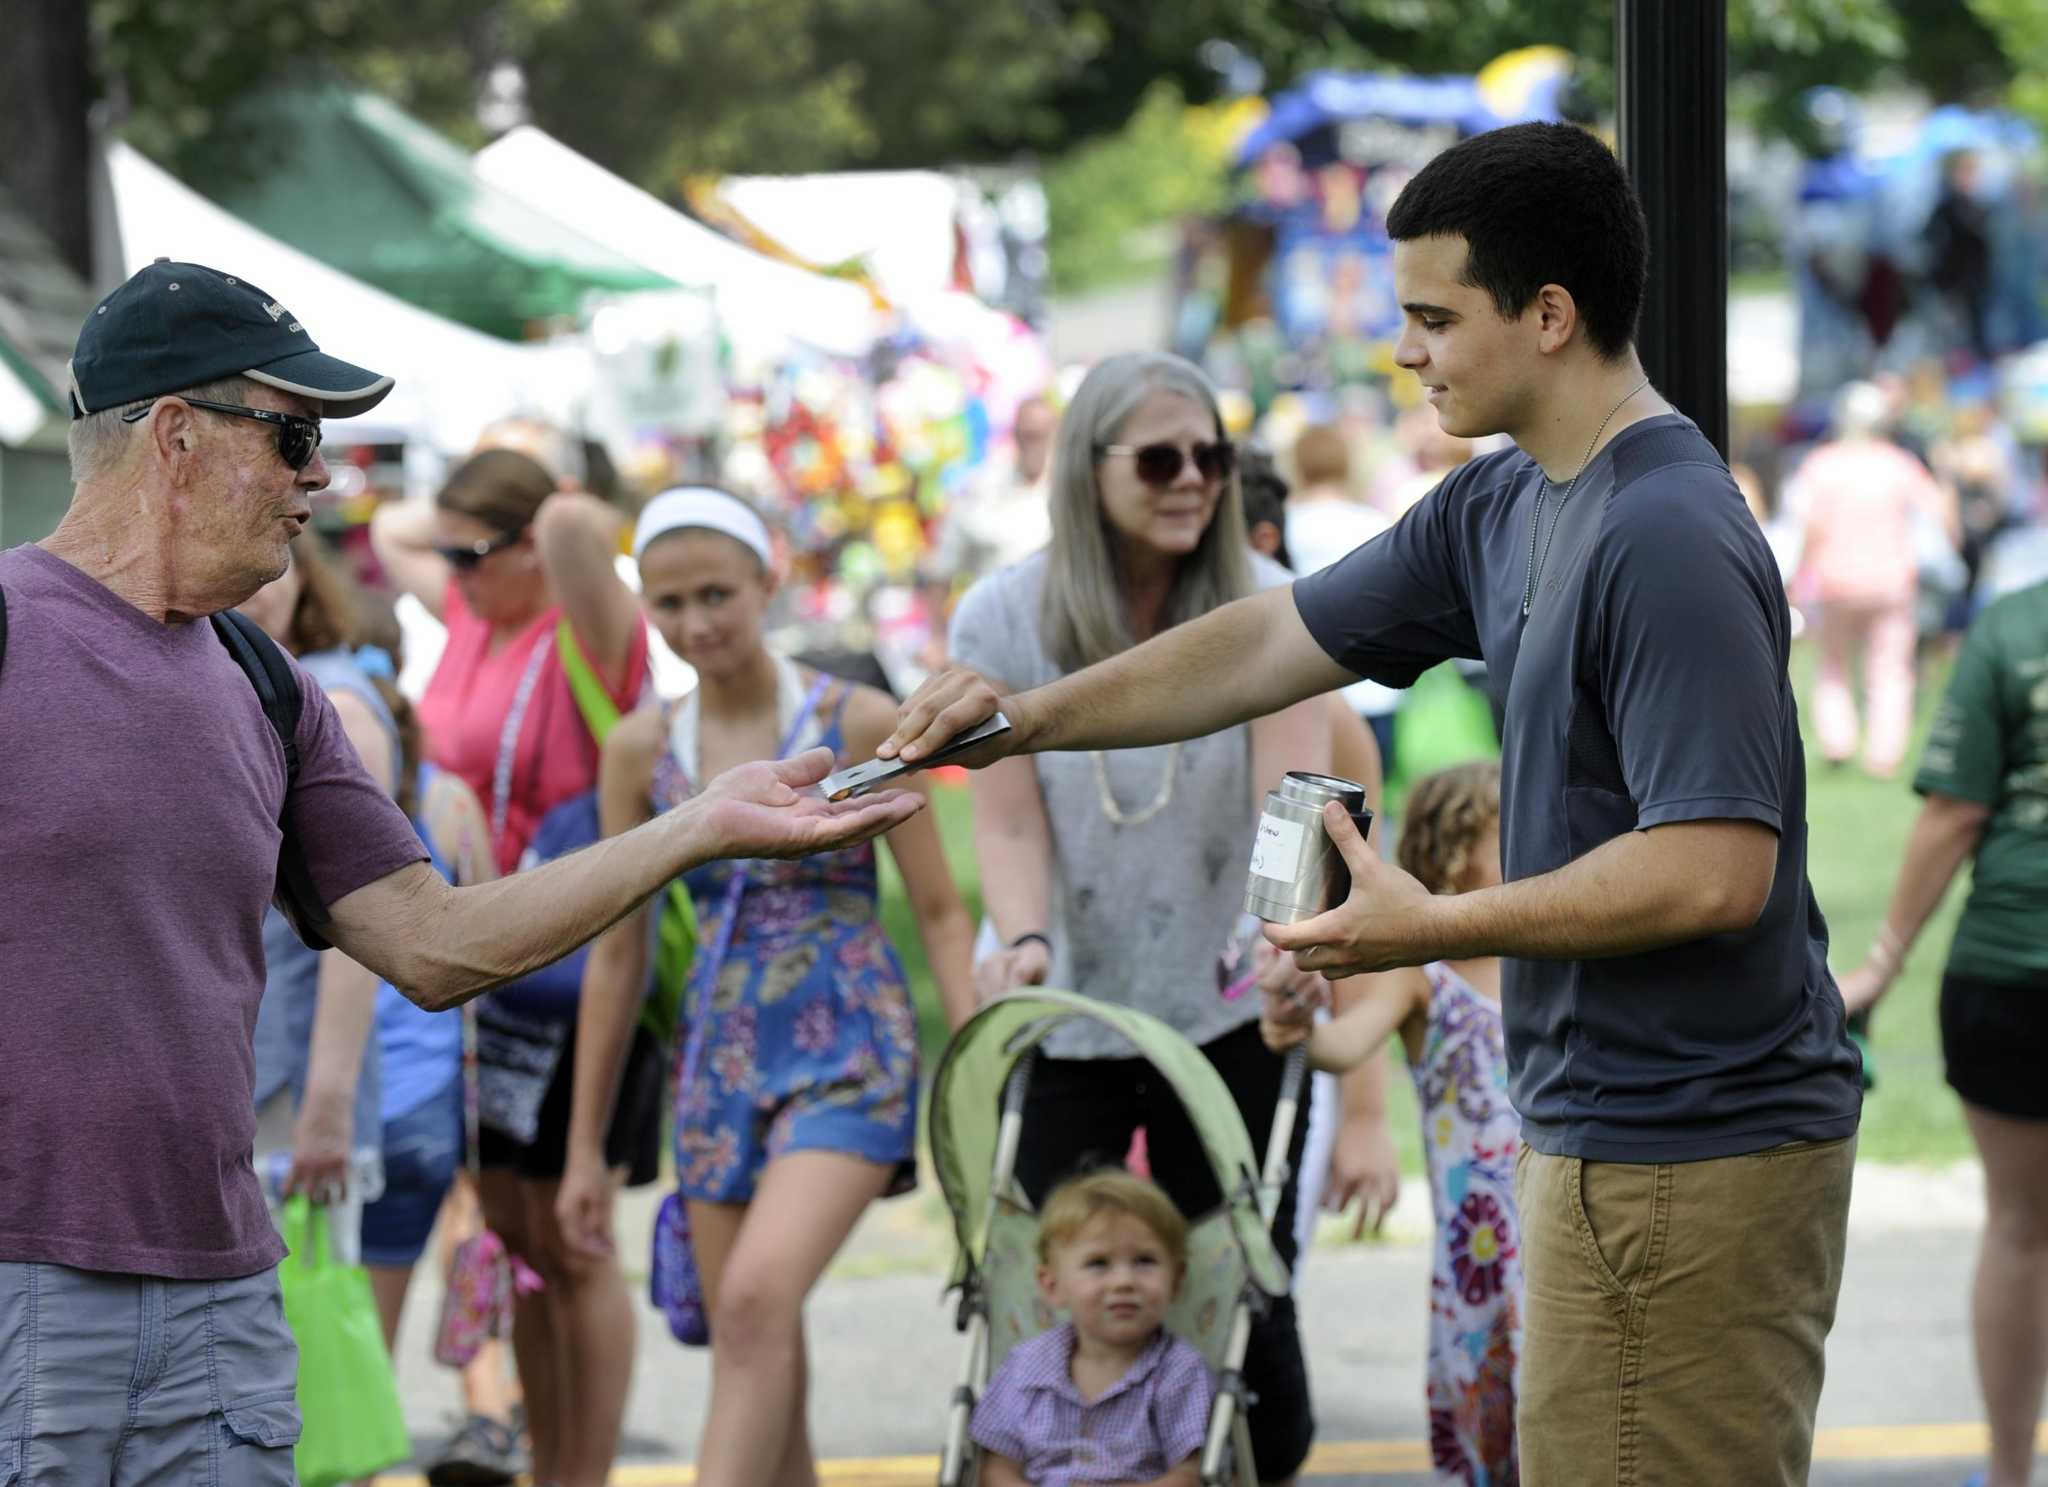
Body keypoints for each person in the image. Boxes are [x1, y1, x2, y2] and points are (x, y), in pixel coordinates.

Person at [885, 123, 1864, 1487]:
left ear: (1549, 314)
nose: (1403, 349)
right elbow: (1262, 637)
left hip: (1695, 1150)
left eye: (1431, 315)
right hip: (1595, 1129)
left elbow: (1714, 869)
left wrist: (1435, 920)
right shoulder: (1506, 497)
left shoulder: (1667, 529)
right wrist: (1030, 714)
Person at [0, 258, 923, 1483]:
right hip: (25, 1288)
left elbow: (434, 941)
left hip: (224, 1293)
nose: (319, 475)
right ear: (174, 435)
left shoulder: (269, 689)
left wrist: (693, 825)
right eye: (292, 434)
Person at [947, 349, 1334, 1487]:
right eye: (1158, 457)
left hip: (1224, 994)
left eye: (1209, 454)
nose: (1192, 480)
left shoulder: (1269, 603)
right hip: (1067, 992)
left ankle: (1265, 1459)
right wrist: (1018, 939)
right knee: (1059, 1279)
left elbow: (1291, 803)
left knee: (1236, 1278)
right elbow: (1008, 824)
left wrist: (1283, 944)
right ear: (1085, 466)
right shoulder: (1003, 615)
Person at [555, 487, 976, 1487]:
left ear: (766, 582)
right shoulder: (642, 747)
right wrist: (585, 1146)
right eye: (668, 602)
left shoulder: (856, 717)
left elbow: (940, 912)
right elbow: (617, 954)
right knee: (753, 1331)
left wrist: (980, 1073)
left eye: (715, 593)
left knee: (749, 1300)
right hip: (716, 1067)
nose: (695, 622)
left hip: (849, 1048)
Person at [371, 442, 660, 1487]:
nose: (448, 569)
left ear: (526, 546)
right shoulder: (467, 617)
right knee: (516, 1231)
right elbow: (391, 531)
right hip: (496, 974)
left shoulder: (585, 630)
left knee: (574, 1232)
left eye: (473, 552)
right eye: (447, 556)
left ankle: (583, 1468)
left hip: (586, 968)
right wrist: (464, 529)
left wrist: (530, 453)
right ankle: (550, 1461)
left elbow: (581, 530)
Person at [1837, 577, 2048, 1487]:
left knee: (2020, 1230)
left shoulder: (2015, 624)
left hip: (2011, 972)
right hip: (2009, 978)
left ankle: (2009, 1473)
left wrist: (1882, 961)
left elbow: (1955, 812)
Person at [1262, 761, 1519, 1486]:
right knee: (1485, 1413)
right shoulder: (1422, 975)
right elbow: (1345, 1044)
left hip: (1553, 1236)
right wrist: (1296, 1033)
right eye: (1510, 834)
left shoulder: (1547, 961)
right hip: (1479, 1253)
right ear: (1456, 849)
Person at [238, 533, 411, 1260]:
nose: (262, 585)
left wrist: (329, 1101)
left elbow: (361, 923)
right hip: (253, 1061)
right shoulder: (248, 681)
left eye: (279, 562)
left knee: (304, 1327)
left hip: (297, 1070)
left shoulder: (331, 698)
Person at [970, 1169, 1215, 1487]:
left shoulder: (1180, 1372)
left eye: (1144, 1261)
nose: (1124, 1281)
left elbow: (1189, 1474)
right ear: (1053, 1286)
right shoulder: (1025, 1368)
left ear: (1177, 1280)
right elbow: (996, 1467)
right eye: (1098, 1263)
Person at [1786, 380, 1958, 777]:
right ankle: (1883, 754)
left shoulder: (1821, 464)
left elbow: (1809, 525)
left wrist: (1802, 574)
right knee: (1890, 670)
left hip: (1834, 582)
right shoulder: (1898, 463)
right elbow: (1939, 514)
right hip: (1891, 583)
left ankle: (1838, 741)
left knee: (1833, 665)